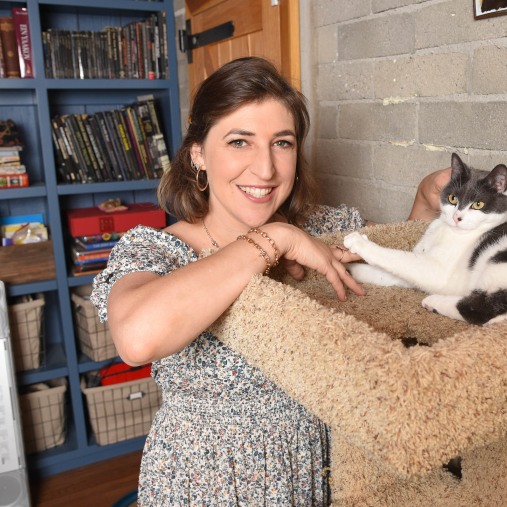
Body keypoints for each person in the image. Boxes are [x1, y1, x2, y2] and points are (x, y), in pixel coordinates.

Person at [90, 56, 449, 506]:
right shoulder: (159, 250)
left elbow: (396, 285)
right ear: (198, 153)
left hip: (318, 470)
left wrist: (425, 206)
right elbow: (137, 338)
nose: (265, 170)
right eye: (239, 142)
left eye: (282, 143)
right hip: (209, 483)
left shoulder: (326, 227)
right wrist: (275, 238)